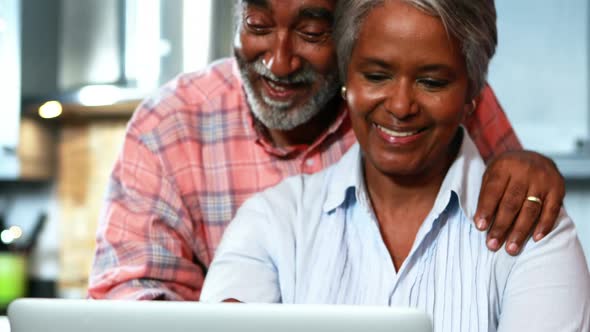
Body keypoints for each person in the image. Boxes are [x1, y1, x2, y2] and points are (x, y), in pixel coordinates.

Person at [88, 0, 566, 301]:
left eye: (312, 33)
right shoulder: (171, 124)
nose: (279, 61)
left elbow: (514, 190)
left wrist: (531, 167)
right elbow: (128, 293)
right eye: (257, 24)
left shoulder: (423, 92)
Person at [199, 0, 590, 330]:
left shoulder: (534, 232)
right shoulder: (271, 223)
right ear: (346, 79)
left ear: (472, 94)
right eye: (376, 75)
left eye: (432, 82)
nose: (401, 106)